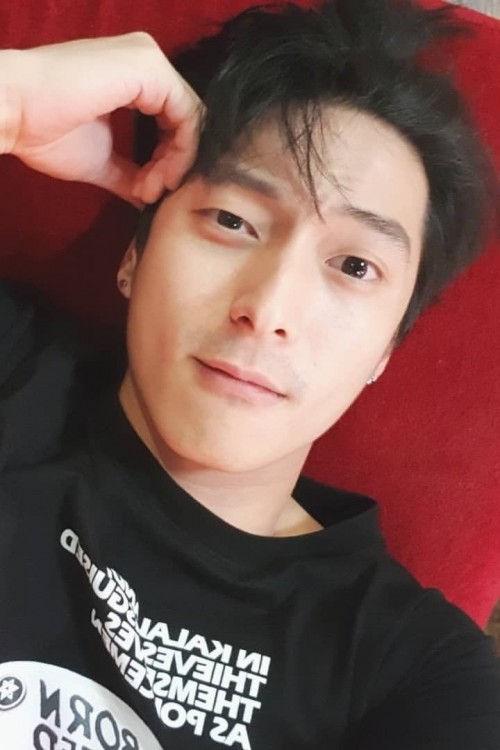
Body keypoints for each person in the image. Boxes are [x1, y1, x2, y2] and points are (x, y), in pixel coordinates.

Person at [1, 1, 499, 748]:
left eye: (354, 265)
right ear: (136, 254)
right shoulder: (13, 370)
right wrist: (10, 101)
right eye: (233, 221)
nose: (268, 311)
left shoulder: (410, 669)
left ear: (386, 350)